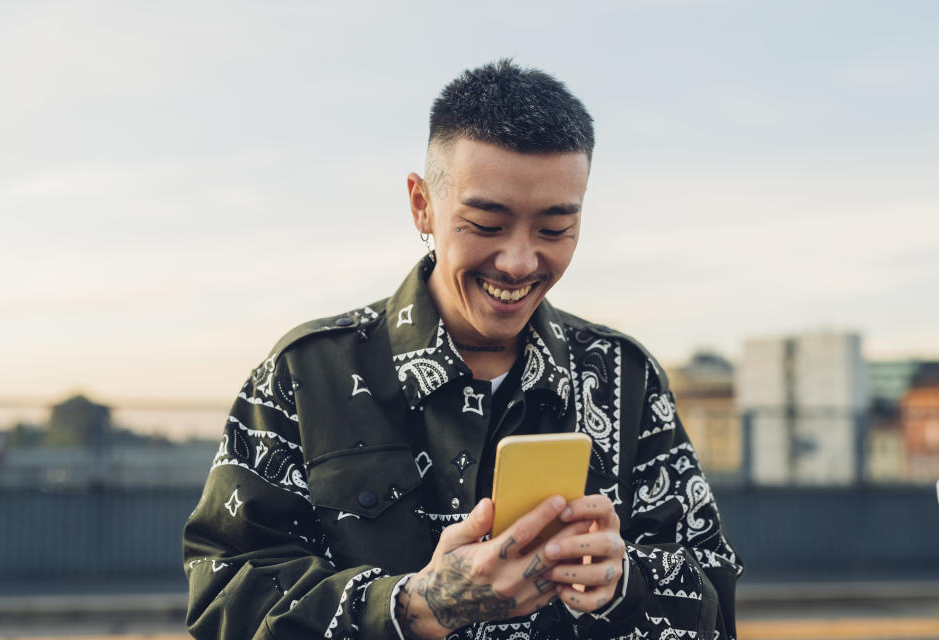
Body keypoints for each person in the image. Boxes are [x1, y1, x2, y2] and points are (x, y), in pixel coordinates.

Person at [183, 60, 742, 640]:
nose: (521, 262)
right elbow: (224, 598)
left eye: (554, 230)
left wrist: (624, 584)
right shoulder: (305, 373)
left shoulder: (625, 378)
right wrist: (415, 606)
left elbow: (713, 593)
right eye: (485, 224)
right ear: (422, 205)